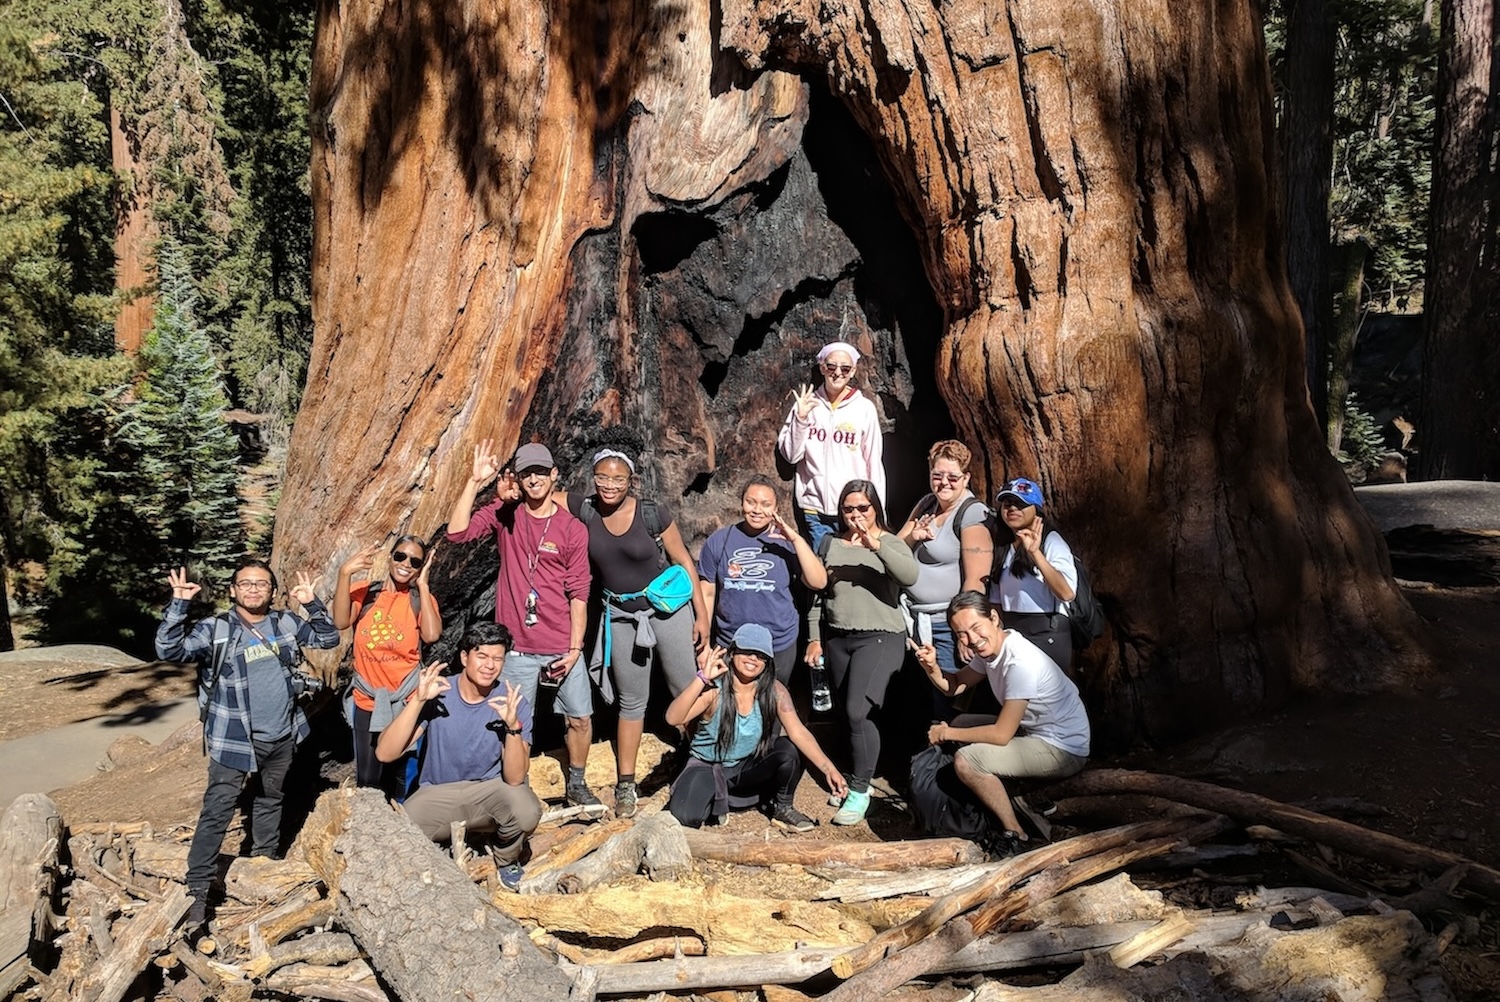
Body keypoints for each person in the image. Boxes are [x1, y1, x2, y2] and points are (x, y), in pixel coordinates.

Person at [156, 558, 340, 931]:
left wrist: (312, 604)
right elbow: (169, 652)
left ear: (272, 591)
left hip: (281, 734)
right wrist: (179, 605)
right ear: (233, 590)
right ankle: (198, 889)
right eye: (246, 584)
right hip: (232, 738)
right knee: (217, 811)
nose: (254, 589)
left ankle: (263, 866)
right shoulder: (217, 629)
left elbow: (328, 638)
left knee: (270, 800)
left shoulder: (284, 622)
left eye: (261, 584)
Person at [446, 441, 600, 811]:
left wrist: (575, 648)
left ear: (554, 475)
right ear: (517, 477)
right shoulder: (506, 515)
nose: (534, 480)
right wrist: (473, 482)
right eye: (526, 473)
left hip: (561, 644)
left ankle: (576, 782)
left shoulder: (571, 529)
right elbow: (457, 533)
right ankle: (520, 787)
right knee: (519, 722)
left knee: (579, 718)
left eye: (540, 472)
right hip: (517, 649)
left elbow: (580, 591)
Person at [566, 448, 709, 819]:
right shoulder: (584, 508)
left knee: (685, 688)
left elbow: (683, 560)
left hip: (667, 611)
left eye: (618, 479)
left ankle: (703, 765)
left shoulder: (651, 513)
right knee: (631, 702)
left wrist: (701, 615)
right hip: (620, 616)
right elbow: (542, 493)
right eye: (602, 477)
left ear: (631, 481)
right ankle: (625, 785)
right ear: (592, 478)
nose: (610, 485)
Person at [916, 591, 1090, 858]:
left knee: (966, 760)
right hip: (1035, 731)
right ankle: (982, 802)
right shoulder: (991, 650)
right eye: (961, 634)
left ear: (994, 618)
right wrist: (932, 668)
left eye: (976, 628)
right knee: (963, 721)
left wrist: (947, 732)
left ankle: (1015, 834)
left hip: (1063, 748)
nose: (971, 640)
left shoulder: (1019, 661)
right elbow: (953, 687)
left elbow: (1001, 734)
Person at [375, 622, 542, 891]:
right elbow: (385, 752)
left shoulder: (512, 701)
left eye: (497, 659)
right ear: (464, 657)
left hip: (489, 791)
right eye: (482, 656)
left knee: (526, 811)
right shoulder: (439, 693)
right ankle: (441, 850)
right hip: (440, 793)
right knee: (400, 835)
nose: (490, 666)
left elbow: (514, 778)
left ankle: (506, 857)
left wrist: (512, 726)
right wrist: (418, 701)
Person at [806, 479, 918, 825]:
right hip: (839, 637)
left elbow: (909, 575)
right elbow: (817, 594)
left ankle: (859, 789)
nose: (855, 515)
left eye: (863, 508)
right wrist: (813, 637)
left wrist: (874, 544)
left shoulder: (892, 541)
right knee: (847, 713)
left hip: (881, 636)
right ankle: (855, 774)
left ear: (875, 510)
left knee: (858, 711)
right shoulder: (829, 544)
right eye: (848, 508)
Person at [665, 624, 847, 830]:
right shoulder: (714, 689)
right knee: (685, 818)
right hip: (707, 766)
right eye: (747, 651)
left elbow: (799, 732)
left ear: (767, 662)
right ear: (732, 652)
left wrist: (828, 768)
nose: (753, 658)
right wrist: (702, 678)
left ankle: (782, 807)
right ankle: (718, 799)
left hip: (745, 768)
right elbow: (673, 718)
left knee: (789, 749)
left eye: (760, 655)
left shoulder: (774, 690)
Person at [332, 535, 442, 793]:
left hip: (406, 700)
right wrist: (344, 573)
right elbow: (340, 621)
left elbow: (431, 635)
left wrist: (424, 586)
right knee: (368, 778)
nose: (406, 564)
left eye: (415, 561)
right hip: (368, 698)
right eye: (400, 556)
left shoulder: (419, 599)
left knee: (400, 774)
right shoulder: (366, 592)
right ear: (390, 557)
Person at [696, 475, 828, 685]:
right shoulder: (719, 541)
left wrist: (795, 539)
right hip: (731, 642)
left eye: (766, 504)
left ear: (776, 507)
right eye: (751, 502)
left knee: (773, 707)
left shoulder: (786, 543)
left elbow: (819, 582)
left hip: (778, 643)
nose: (757, 510)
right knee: (730, 709)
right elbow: (707, 593)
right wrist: (704, 646)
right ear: (742, 502)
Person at [896, 441, 993, 720]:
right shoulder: (926, 504)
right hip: (915, 621)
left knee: (949, 699)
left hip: (947, 626)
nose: (944, 483)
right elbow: (895, 548)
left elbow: (976, 579)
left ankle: (952, 758)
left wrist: (965, 633)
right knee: (920, 700)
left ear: (966, 477)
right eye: (937, 475)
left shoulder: (972, 513)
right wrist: (915, 536)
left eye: (953, 477)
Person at [776, 341, 885, 551]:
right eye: (831, 366)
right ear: (822, 367)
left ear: (853, 371)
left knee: (850, 572)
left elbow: (874, 462)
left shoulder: (864, 409)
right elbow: (791, 455)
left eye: (845, 368)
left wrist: (877, 514)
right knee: (822, 573)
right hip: (815, 510)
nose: (837, 373)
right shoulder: (807, 404)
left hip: (853, 510)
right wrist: (801, 418)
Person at [989, 477, 1077, 671]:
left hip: (1047, 631)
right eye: (1007, 503)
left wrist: (1035, 553)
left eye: (1020, 504)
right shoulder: (1002, 547)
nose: (1012, 509)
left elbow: (1067, 593)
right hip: (1013, 631)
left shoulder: (1051, 541)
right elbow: (996, 599)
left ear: (1036, 509)